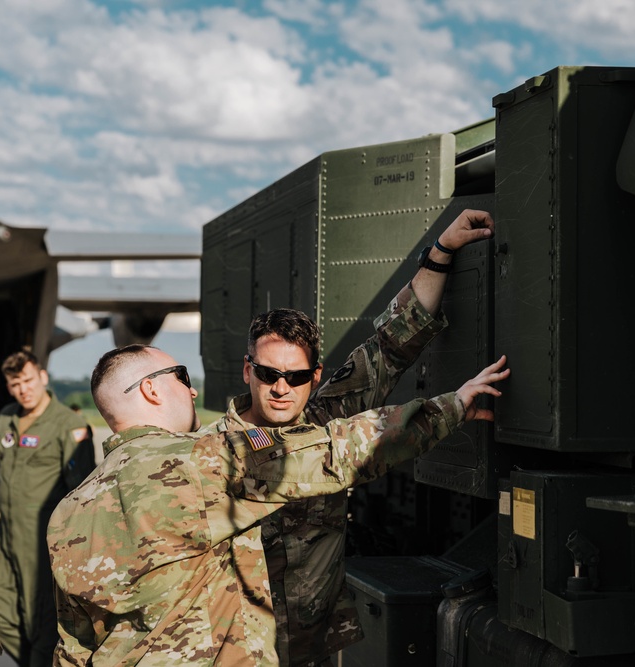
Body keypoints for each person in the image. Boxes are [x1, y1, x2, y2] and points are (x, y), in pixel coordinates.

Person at [47, 344, 509, 665]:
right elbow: (335, 451)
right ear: (151, 390)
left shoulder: (69, 509)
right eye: (182, 377)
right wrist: (453, 407)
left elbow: (75, 643)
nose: (192, 391)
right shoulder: (199, 462)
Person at [197, 208, 495, 665]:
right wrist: (450, 408)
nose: (280, 388)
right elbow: (350, 448)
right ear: (247, 370)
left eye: (296, 377)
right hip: (237, 653)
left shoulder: (324, 415)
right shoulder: (212, 453)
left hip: (310, 647)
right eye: (268, 373)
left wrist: (441, 251)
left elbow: (393, 343)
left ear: (315, 377)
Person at [0, 349, 94, 666]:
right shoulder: (5, 419)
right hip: (6, 536)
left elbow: (81, 491)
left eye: (28, 381)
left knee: (42, 619)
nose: (23, 390)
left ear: (43, 377)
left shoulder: (69, 425)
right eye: (15, 384)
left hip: (43, 541)